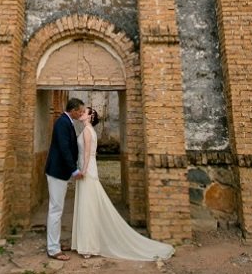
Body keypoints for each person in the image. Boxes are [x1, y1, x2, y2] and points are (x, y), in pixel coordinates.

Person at [72, 107, 175, 261]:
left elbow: (87, 153)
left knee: (88, 206)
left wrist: (84, 171)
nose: (81, 113)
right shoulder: (89, 131)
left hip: (87, 171)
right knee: (89, 205)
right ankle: (86, 243)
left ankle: (89, 245)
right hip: (89, 169)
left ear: (90, 117)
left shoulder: (87, 131)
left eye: (84, 112)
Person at [45, 97, 86, 261]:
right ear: (74, 110)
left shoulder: (66, 121)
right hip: (57, 171)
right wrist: (74, 170)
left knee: (57, 209)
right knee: (55, 210)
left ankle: (55, 243)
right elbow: (64, 148)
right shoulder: (62, 122)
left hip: (60, 172)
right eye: (81, 111)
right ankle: (53, 249)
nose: (82, 113)